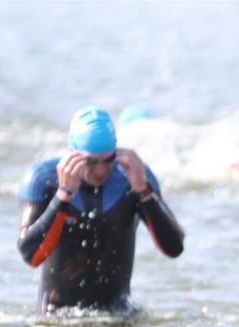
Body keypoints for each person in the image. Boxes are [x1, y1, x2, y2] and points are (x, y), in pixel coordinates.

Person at [17, 106, 184, 314]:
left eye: (108, 159)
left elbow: (175, 248)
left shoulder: (133, 176)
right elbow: (30, 255)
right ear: (72, 153)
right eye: (90, 161)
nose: (101, 170)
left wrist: (143, 191)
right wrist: (63, 196)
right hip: (57, 317)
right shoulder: (43, 180)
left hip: (120, 316)